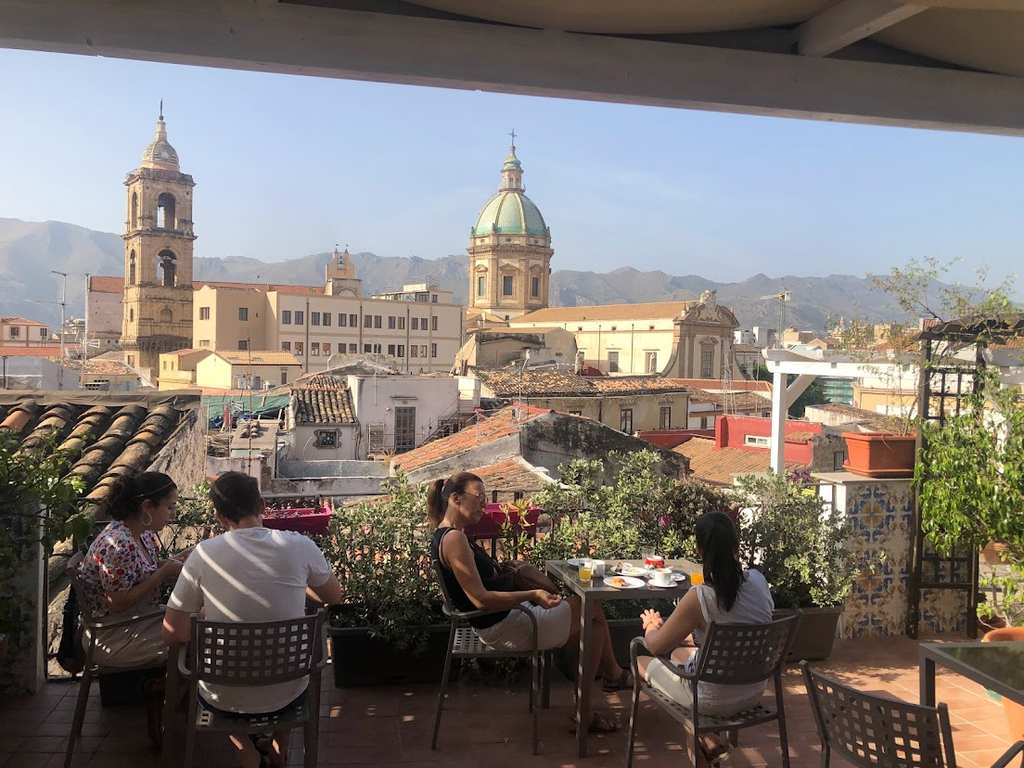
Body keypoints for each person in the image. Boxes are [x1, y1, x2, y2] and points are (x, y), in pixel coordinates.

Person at [162, 471, 343, 768]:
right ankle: (279, 747)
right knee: (289, 668)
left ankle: (244, 748)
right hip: (289, 690)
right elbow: (334, 596)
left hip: (222, 694)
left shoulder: (203, 555)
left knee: (212, 683)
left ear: (220, 517)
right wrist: (297, 585)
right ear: (261, 505)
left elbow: (173, 633)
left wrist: (211, 621)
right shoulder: (299, 546)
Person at [429, 471, 629, 733]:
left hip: (502, 620)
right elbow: (481, 599)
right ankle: (603, 687)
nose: (484, 503)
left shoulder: (448, 535)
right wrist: (532, 595)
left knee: (593, 624)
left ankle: (596, 693)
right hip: (504, 627)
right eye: (479, 497)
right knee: (590, 609)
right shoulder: (454, 539)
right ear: (455, 499)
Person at [637, 511, 774, 762]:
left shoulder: (700, 596)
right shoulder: (758, 581)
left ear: (700, 550)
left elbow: (655, 646)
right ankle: (708, 737)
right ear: (736, 545)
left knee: (642, 661)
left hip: (711, 699)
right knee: (680, 653)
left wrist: (651, 625)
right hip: (753, 690)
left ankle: (702, 732)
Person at [78, 471, 183, 667]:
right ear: (147, 507)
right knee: (193, 632)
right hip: (114, 635)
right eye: (170, 507)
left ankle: (177, 694)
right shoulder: (119, 545)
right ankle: (179, 695)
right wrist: (163, 572)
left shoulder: (140, 534)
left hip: (136, 620)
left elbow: (141, 571)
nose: (173, 514)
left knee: (193, 621)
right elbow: (117, 603)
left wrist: (178, 559)